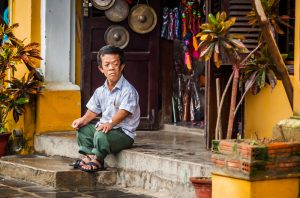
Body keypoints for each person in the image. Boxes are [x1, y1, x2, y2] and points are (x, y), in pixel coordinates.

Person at [71, 45, 140, 172]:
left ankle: (98, 159)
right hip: (105, 129)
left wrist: (110, 123)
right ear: (101, 69)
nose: (111, 68)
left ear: (122, 66)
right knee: (83, 129)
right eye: (107, 65)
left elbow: (124, 111)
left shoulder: (128, 90)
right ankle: (89, 156)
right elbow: (93, 110)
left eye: (115, 64)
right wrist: (83, 119)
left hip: (123, 134)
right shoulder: (100, 91)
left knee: (100, 135)